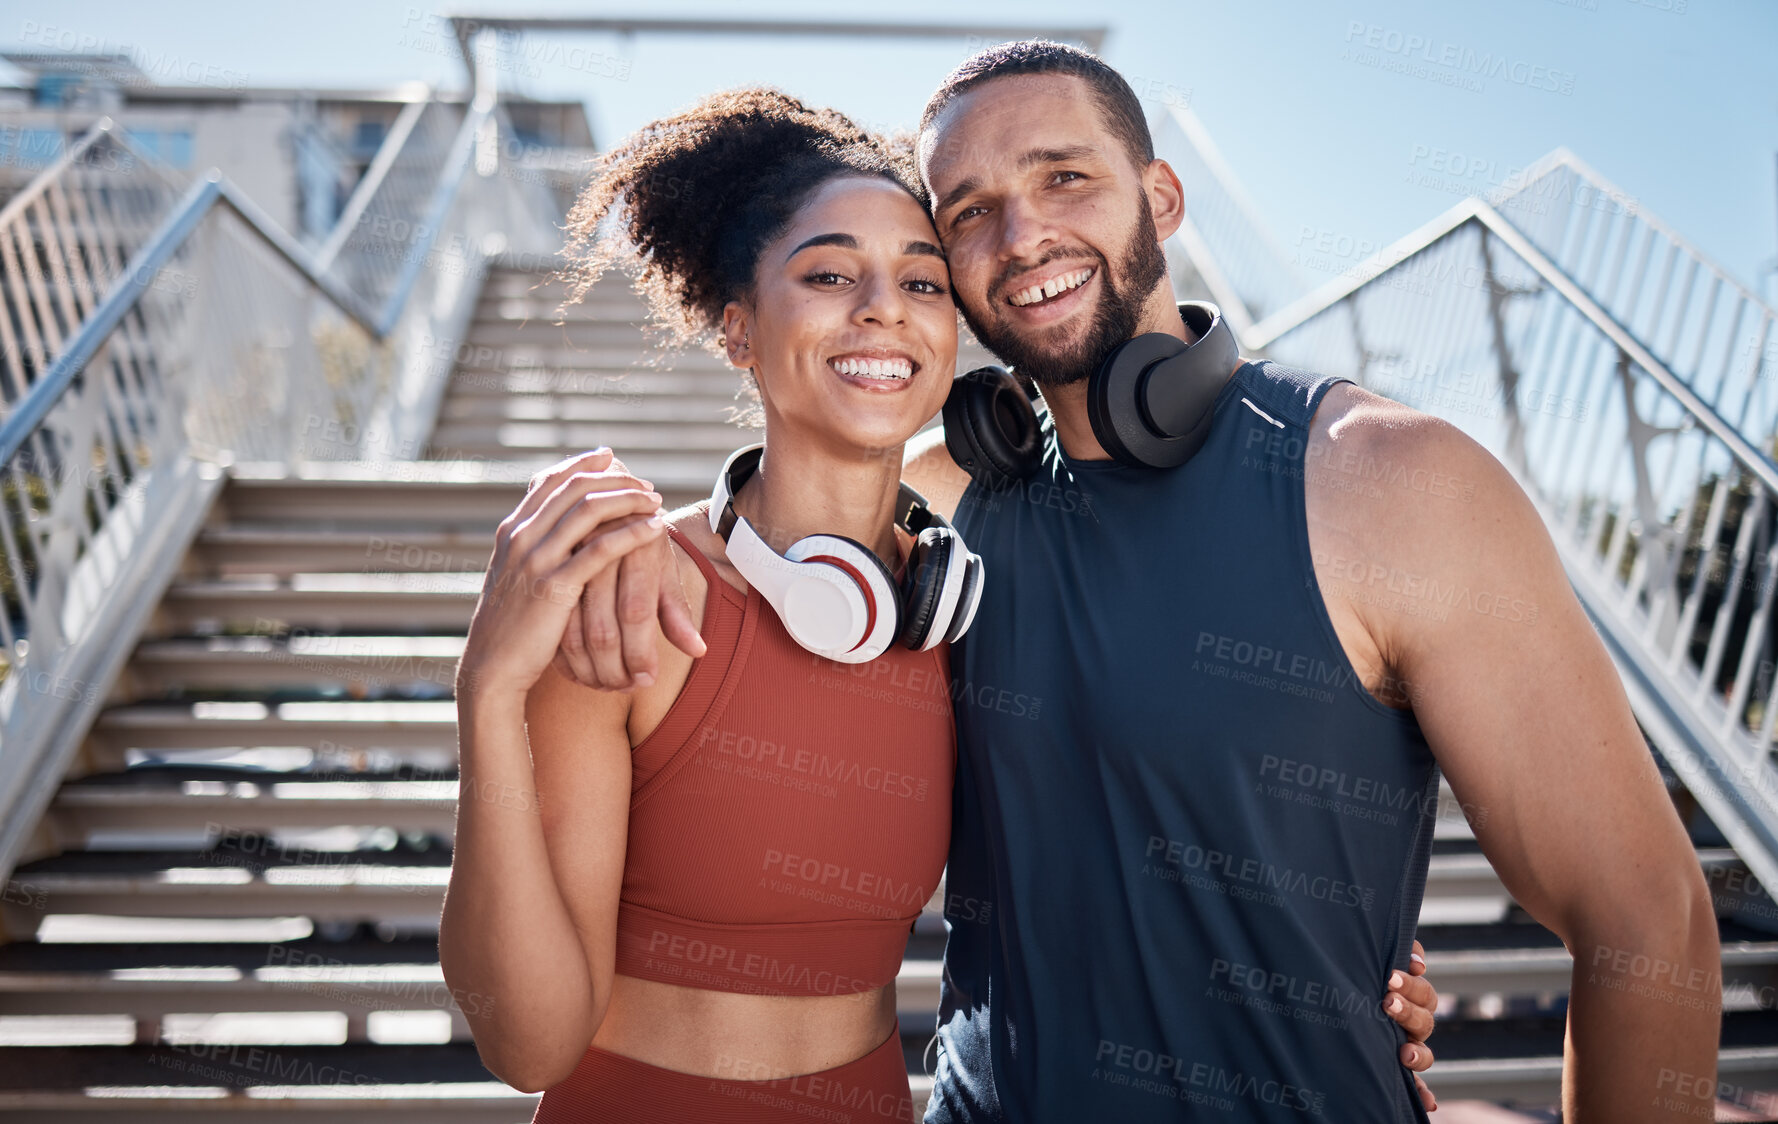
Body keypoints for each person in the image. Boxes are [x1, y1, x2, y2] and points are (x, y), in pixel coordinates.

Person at [546, 41, 1722, 1124]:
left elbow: (1646, 921)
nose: (1021, 237)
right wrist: (616, 556)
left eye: (1065, 179)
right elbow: (772, 514)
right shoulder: (935, 504)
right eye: (969, 214)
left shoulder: (1393, 482)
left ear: (1159, 198)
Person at [440, 86, 1440, 1123]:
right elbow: (527, 1041)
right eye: (828, 272)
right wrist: (485, 696)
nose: (880, 307)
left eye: (920, 281)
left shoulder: (951, 610)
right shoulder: (637, 602)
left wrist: (1347, 969)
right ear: (738, 330)